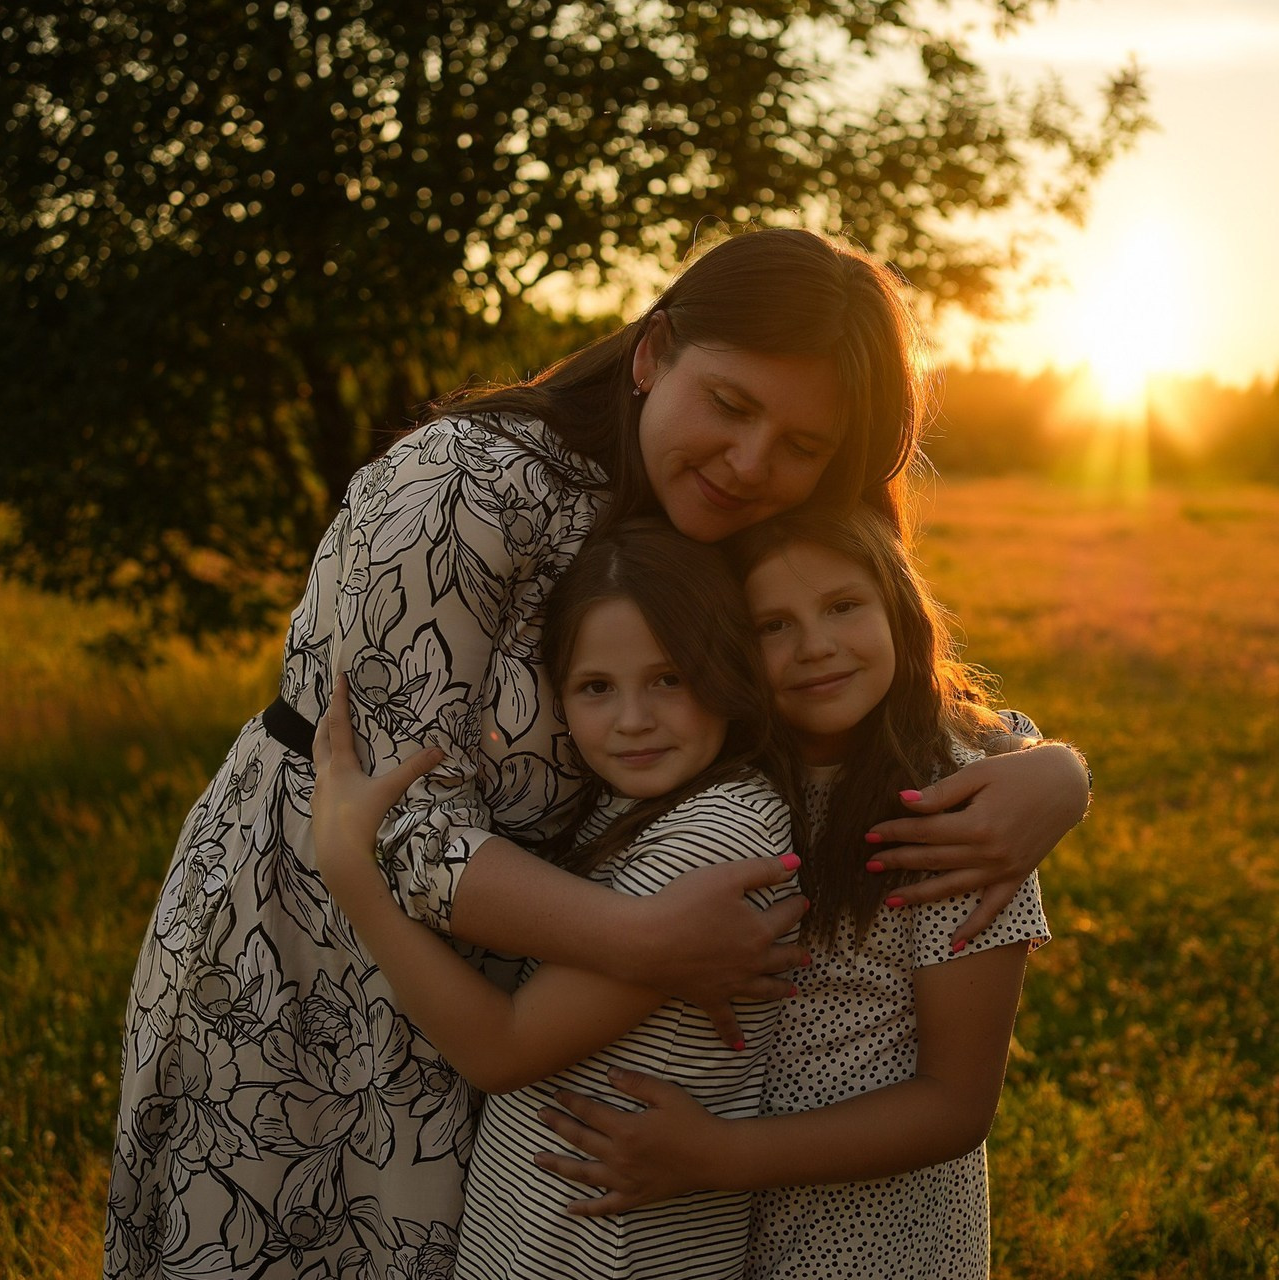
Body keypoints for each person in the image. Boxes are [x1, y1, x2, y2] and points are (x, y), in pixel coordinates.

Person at [104, 226, 1088, 1280]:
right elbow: (401, 828)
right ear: (652, 351)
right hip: (319, 948)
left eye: (802, 444)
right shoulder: (464, 483)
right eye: (730, 403)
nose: (751, 461)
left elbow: (862, 675)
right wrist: (637, 938)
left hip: (538, 992)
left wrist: (1049, 770)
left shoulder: (737, 507)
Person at [534, 507, 1061, 1279]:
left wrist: (720, 1154)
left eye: (843, 606)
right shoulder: (719, 773)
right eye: (772, 625)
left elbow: (955, 1104)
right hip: (713, 1230)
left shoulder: (957, 815)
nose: (815, 645)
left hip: (875, 1243)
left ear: (898, 607)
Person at [312, 520, 805, 1279]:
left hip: (608, 1251)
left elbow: (501, 1050)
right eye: (596, 688)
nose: (633, 720)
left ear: (726, 671)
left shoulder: (718, 836)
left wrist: (354, 877)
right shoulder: (634, 805)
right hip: (549, 1235)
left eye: (670, 678)